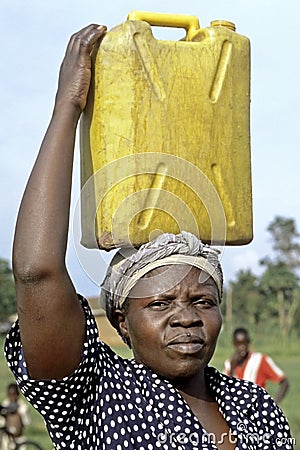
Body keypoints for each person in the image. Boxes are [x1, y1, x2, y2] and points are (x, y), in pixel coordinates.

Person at [4, 24, 294, 450]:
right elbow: (36, 273)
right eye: (159, 303)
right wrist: (67, 106)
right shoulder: (98, 396)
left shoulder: (254, 406)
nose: (186, 318)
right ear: (122, 323)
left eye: (203, 301)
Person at [224, 327, 289, 404]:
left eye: (244, 343)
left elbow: (284, 382)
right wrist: (232, 367)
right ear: (234, 343)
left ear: (248, 342)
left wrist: (273, 405)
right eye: (238, 344)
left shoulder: (260, 360)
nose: (242, 347)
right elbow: (228, 389)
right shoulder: (229, 364)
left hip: (257, 411)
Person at [0, 382, 30, 449]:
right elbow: (1, 423)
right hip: (7, 438)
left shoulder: (22, 406)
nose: (12, 397)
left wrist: (19, 413)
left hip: (19, 438)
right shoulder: (5, 405)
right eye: (10, 395)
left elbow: (27, 422)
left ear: (17, 395)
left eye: (14, 395)